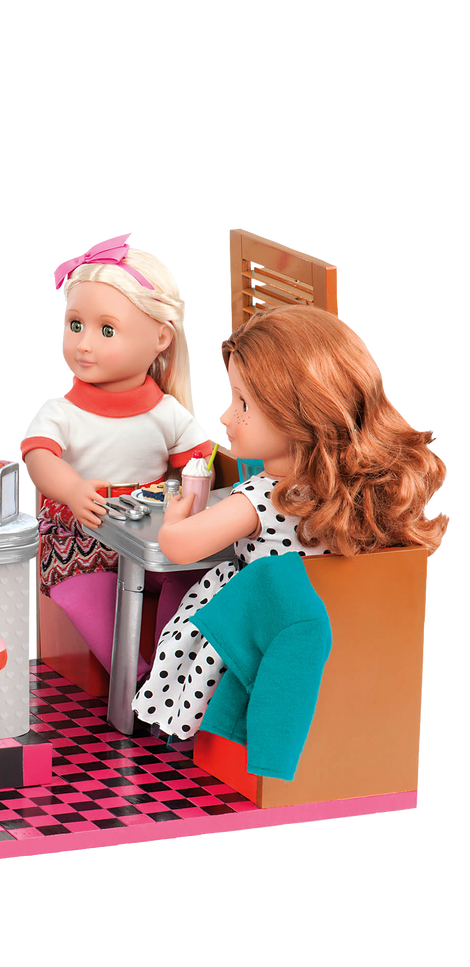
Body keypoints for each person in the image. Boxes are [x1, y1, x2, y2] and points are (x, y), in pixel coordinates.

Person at [134, 303, 451, 739]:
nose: (225, 415)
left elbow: (179, 548)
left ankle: (181, 728)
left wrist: (175, 517)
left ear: (300, 414)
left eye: (243, 403)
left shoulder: (261, 497)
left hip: (249, 634)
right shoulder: (357, 491)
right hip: (336, 639)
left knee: (188, 624)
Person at [19, 232, 216, 680]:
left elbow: (201, 461)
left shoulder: (167, 412)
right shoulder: (60, 410)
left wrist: (194, 495)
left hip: (153, 537)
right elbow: (39, 457)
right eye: (75, 325)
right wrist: (72, 489)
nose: (84, 344)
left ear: (161, 337)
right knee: (81, 593)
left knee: (191, 579)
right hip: (83, 538)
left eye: (106, 330)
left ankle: (170, 666)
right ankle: (137, 680)